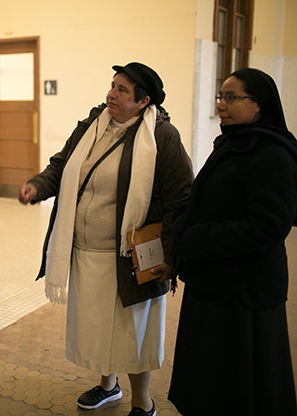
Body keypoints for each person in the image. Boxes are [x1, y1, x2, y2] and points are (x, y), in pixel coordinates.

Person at [18, 62, 193, 416]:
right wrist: (38, 185)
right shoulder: (93, 125)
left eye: (123, 90)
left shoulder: (161, 136)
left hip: (133, 256)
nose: (111, 94)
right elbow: (62, 164)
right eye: (113, 86)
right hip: (88, 252)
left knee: (132, 332)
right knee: (100, 328)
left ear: (143, 101)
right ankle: (108, 386)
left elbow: (181, 198)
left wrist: (172, 256)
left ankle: (143, 403)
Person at [168, 68, 297, 416]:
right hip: (214, 283)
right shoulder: (234, 142)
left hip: (243, 293)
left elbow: (269, 226)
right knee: (209, 385)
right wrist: (183, 220)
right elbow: (210, 198)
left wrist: (195, 239)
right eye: (220, 97)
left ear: (258, 105)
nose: (222, 105)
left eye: (231, 97)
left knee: (239, 390)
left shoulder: (273, 154)